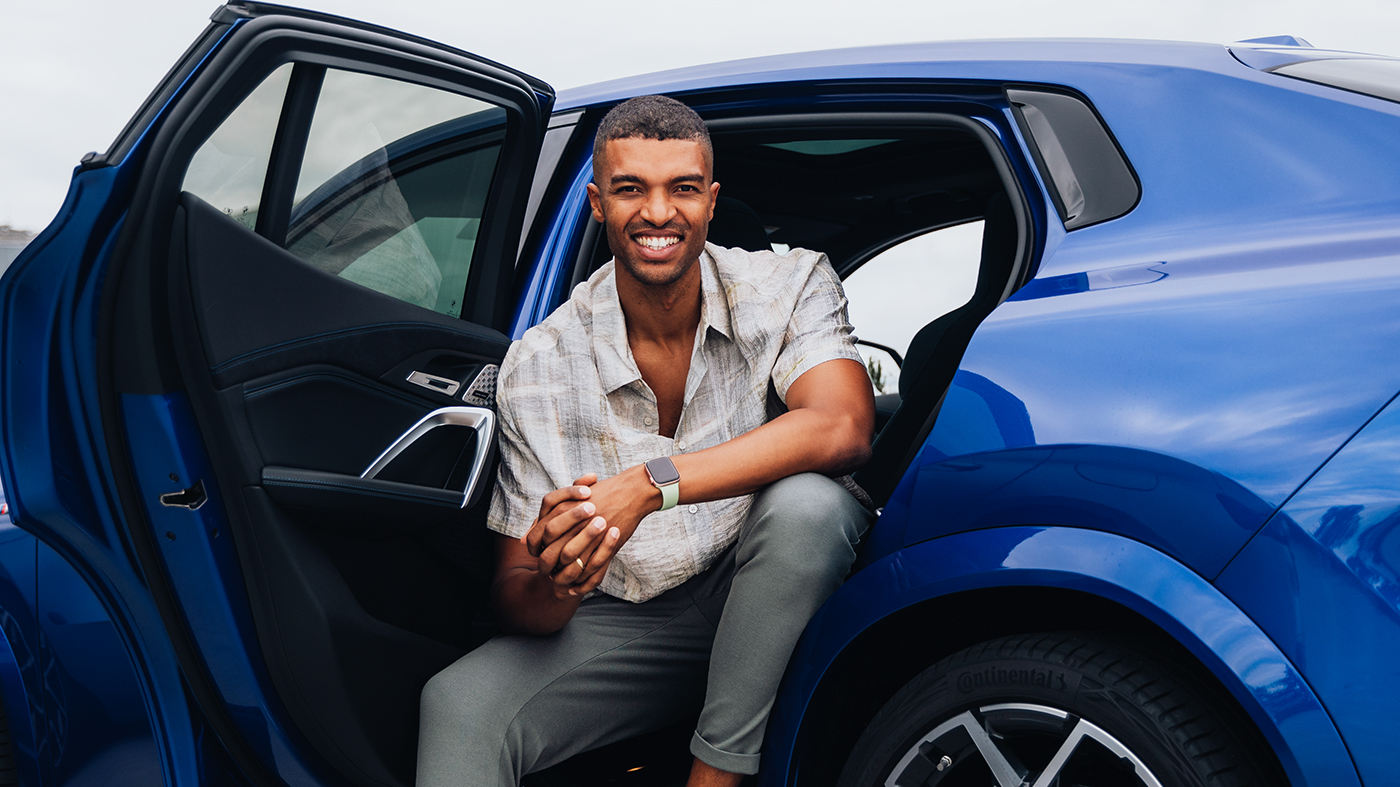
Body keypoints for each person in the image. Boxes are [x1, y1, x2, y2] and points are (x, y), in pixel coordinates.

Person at [417, 95, 876, 787]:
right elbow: (515, 591)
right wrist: (559, 578)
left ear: (711, 200)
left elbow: (842, 426)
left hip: (771, 585)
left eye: (682, 189)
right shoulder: (539, 363)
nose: (658, 213)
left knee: (809, 504)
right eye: (632, 189)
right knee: (456, 704)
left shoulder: (789, 284)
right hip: (633, 618)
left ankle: (714, 773)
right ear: (599, 203)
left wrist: (649, 483)